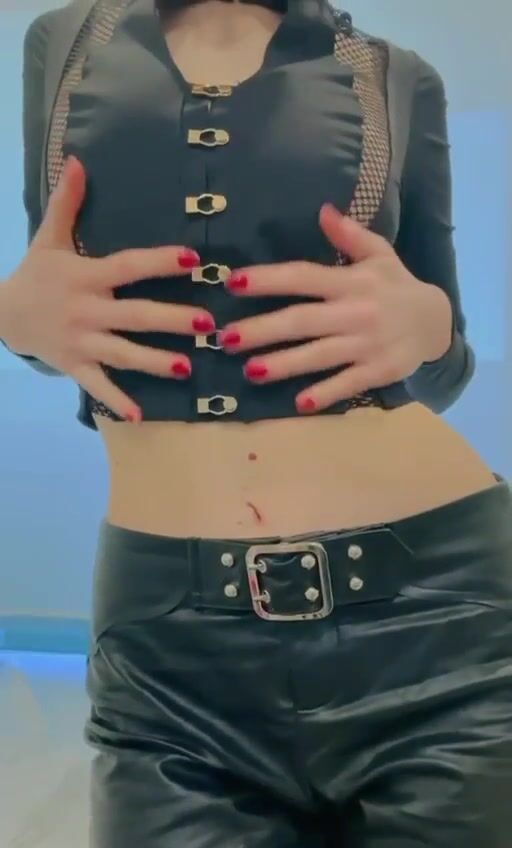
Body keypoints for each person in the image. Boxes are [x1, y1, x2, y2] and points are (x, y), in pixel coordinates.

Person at [1, 0, 511, 844]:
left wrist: (427, 330)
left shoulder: (395, 73)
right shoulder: (64, 41)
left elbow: (441, 371)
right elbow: (63, 314)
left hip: (441, 624)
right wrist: (15, 319)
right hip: (171, 659)